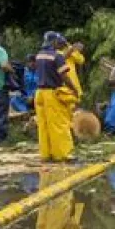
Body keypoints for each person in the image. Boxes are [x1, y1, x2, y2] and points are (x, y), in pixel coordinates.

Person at [34, 32, 75, 162]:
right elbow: (64, 76)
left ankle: (46, 154)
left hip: (39, 93)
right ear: (53, 42)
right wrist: (73, 88)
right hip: (52, 93)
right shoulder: (57, 56)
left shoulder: (39, 55)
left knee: (43, 125)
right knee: (59, 124)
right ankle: (63, 154)